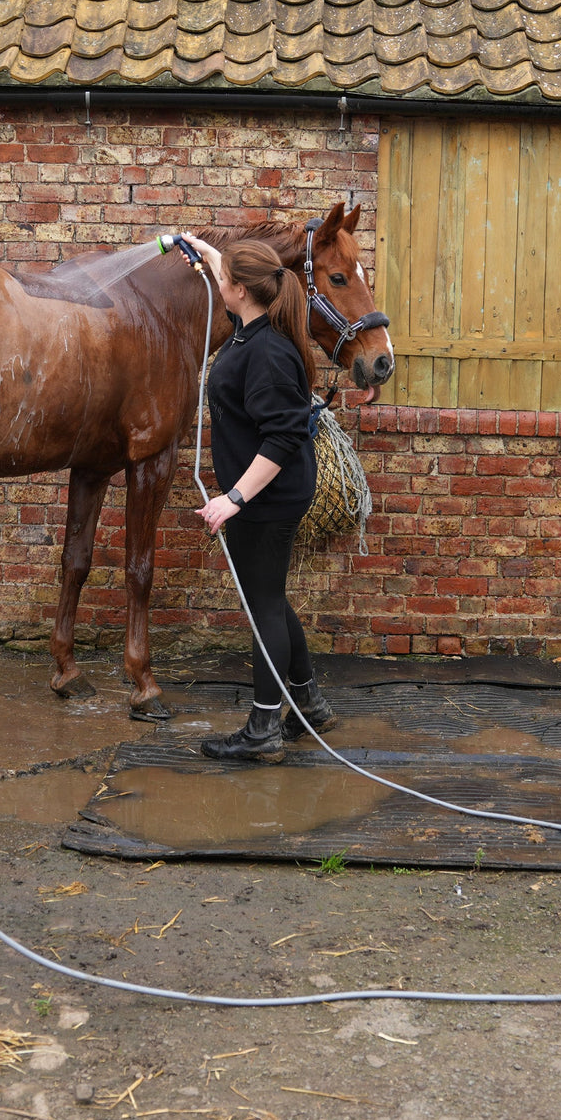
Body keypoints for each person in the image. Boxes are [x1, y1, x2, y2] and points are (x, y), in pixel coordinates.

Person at [177, 233, 337, 764]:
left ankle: (265, 727)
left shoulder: (266, 352)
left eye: (223, 280)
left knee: (262, 602)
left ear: (240, 291)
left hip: (269, 498)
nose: (218, 282)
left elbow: (283, 438)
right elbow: (233, 269)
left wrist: (235, 499)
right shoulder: (254, 321)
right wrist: (203, 249)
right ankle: (309, 703)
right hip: (263, 496)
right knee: (267, 593)